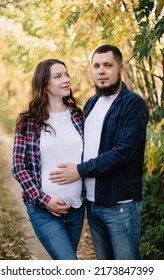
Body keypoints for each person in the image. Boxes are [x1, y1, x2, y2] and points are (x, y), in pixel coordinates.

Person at [49, 45, 149, 260]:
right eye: (96, 66)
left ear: (120, 67)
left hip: (120, 205)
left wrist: (80, 171)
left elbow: (124, 152)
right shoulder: (92, 103)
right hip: (93, 205)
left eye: (107, 65)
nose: (101, 70)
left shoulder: (133, 104)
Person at [12, 59, 85, 260]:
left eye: (67, 74)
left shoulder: (78, 116)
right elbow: (18, 166)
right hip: (43, 210)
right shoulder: (29, 121)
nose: (66, 80)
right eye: (58, 76)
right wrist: (45, 200)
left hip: (76, 208)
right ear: (44, 83)